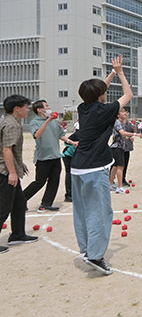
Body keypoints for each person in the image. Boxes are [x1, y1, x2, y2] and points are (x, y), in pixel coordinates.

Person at [70, 55, 133, 275]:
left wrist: (113, 72)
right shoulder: (104, 111)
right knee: (101, 212)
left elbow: (97, 91)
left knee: (83, 211)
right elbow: (128, 95)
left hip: (77, 167)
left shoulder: (83, 107)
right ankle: (96, 256)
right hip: (94, 169)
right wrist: (121, 72)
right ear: (100, 96)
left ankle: (88, 249)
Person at [0, 95, 38, 254]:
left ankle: (17, 234)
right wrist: (13, 173)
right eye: (26, 107)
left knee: (19, 203)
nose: (28, 110)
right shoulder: (12, 125)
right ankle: (17, 233)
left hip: (9, 168)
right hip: (5, 172)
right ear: (17, 108)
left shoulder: (10, 122)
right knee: (3, 207)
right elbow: (7, 149)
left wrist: (19, 163)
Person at [23, 100, 76, 212]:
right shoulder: (35, 122)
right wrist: (47, 121)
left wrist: (72, 142)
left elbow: (61, 135)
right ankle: (20, 200)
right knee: (39, 182)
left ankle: (46, 204)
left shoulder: (54, 122)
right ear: (39, 110)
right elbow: (37, 135)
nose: (49, 107)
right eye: (46, 106)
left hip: (55, 156)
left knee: (54, 181)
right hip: (43, 157)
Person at [109, 108, 140, 194]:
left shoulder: (122, 123)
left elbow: (121, 135)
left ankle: (111, 184)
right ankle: (119, 186)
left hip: (118, 147)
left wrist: (129, 137)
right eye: (122, 112)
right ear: (118, 115)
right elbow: (122, 133)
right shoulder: (118, 122)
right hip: (117, 147)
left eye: (125, 112)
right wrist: (135, 134)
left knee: (115, 167)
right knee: (120, 167)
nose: (125, 113)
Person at [121, 109, 137, 186]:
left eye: (127, 112)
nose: (126, 114)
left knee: (125, 164)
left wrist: (135, 124)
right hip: (119, 147)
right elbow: (118, 134)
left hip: (127, 147)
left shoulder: (128, 123)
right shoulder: (118, 123)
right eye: (124, 112)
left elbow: (134, 132)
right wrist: (126, 137)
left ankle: (123, 179)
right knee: (117, 165)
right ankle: (112, 179)